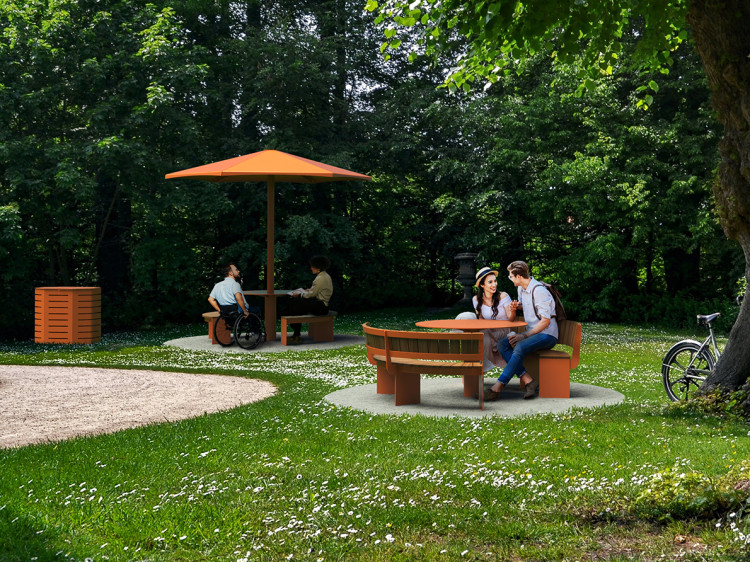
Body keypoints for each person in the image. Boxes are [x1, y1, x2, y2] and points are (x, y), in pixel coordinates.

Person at [483, 260, 558, 401]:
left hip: (547, 335)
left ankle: (497, 387)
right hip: (533, 334)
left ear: (518, 277)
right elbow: (529, 307)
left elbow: (545, 321)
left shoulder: (539, 291)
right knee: (502, 344)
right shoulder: (521, 289)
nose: (510, 279)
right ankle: (529, 381)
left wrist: (524, 335)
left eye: (511, 276)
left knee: (520, 346)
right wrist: (516, 306)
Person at [455, 266, 516, 372]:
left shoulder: (503, 296)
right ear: (482, 285)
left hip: (503, 331)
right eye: (490, 282)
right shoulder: (476, 299)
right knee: (473, 328)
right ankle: (473, 369)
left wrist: (513, 310)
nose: (494, 284)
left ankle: (480, 367)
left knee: (483, 337)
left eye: (495, 281)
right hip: (488, 330)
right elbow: (481, 319)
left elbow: (511, 320)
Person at [286, 255, 333, 344]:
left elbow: (312, 294)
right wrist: (307, 291)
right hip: (322, 305)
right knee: (296, 305)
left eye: (312, 266)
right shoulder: (325, 276)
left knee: (295, 303)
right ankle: (296, 333)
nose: (311, 268)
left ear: (318, 267)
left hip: (321, 306)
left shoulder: (320, 278)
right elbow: (316, 290)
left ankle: (296, 333)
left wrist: (300, 294)